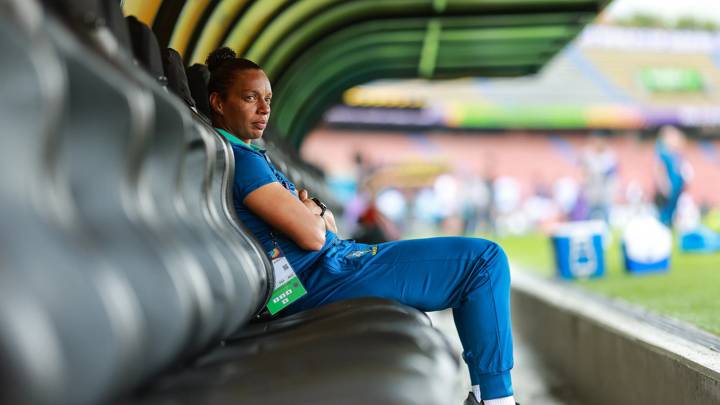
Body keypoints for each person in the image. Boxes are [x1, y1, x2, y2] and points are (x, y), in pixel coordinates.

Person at [205, 47, 518, 405]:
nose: (264, 109)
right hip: (320, 278)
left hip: (332, 264)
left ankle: (489, 398)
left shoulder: (244, 154)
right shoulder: (243, 163)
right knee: (483, 260)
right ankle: (496, 400)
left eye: (268, 99)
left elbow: (327, 227)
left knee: (480, 259)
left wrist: (314, 211)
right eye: (250, 98)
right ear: (217, 102)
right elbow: (313, 234)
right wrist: (313, 214)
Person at [653, 126, 693, 228]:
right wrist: (664, 184)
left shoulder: (676, 154)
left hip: (677, 186)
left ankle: (669, 225)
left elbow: (681, 169)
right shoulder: (662, 152)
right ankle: (662, 228)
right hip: (669, 186)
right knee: (665, 210)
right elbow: (660, 169)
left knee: (673, 210)